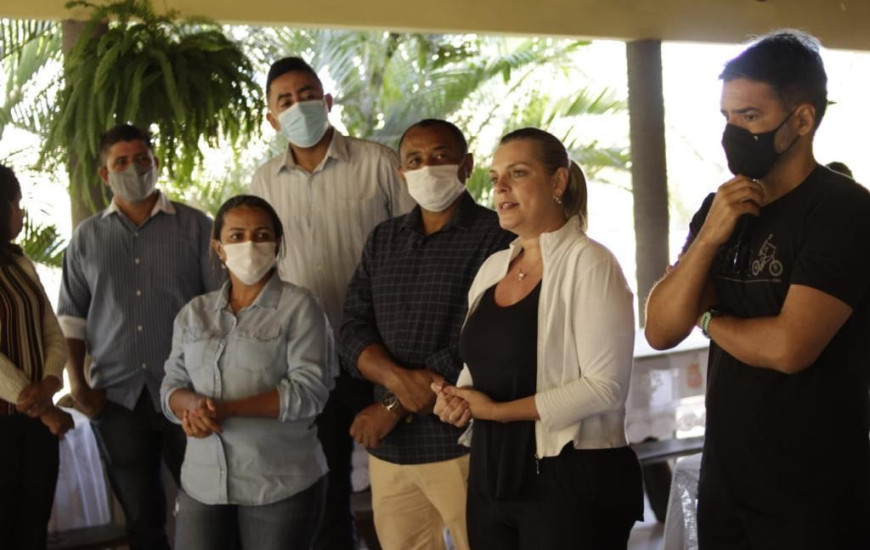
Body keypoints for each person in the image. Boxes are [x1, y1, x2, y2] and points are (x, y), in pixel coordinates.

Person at [644, 31, 870, 549]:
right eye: (727, 117)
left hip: (815, 494)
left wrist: (709, 317)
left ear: (802, 120)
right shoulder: (719, 208)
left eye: (749, 116)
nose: (734, 132)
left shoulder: (843, 211)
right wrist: (708, 238)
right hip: (727, 486)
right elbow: (659, 328)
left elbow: (789, 347)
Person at [432, 128, 643, 549]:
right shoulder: (494, 267)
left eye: (518, 173)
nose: (500, 188)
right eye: (495, 178)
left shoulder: (591, 263)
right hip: (493, 471)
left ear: (558, 181)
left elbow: (605, 388)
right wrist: (457, 400)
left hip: (570, 477)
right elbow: (477, 364)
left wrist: (498, 412)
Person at [250, 56, 415, 549]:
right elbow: (266, 267)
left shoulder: (378, 163)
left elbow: (417, 242)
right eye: (285, 100)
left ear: (326, 100)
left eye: (307, 95)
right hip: (311, 357)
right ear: (272, 118)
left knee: (403, 481)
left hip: (384, 350)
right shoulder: (264, 181)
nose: (298, 105)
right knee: (327, 491)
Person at [339, 119, 513, 550]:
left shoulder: (499, 236)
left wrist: (392, 405)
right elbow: (352, 328)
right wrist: (394, 383)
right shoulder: (384, 239)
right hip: (391, 451)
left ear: (466, 165)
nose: (427, 168)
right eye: (414, 160)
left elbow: (481, 338)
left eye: (439, 156)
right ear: (401, 174)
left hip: (464, 442)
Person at [57, 124, 221, 549]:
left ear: (156, 163)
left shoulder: (196, 227)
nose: (134, 168)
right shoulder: (86, 238)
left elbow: (220, 309)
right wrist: (78, 385)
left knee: (208, 508)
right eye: (122, 162)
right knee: (142, 520)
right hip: (116, 397)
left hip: (189, 393)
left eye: (142, 159)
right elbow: (71, 320)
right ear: (104, 174)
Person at [161, 195, 331, 550]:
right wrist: (191, 407)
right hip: (202, 482)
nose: (250, 244)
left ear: (277, 244)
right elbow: (172, 385)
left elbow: (309, 391)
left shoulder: (300, 307)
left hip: (279, 481)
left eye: (261, 235)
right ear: (218, 248)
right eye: (237, 236)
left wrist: (227, 409)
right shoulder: (194, 313)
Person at [0, 164, 74, 549]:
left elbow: (51, 331)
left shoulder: (19, 262)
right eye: (17, 204)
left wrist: (50, 382)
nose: (21, 213)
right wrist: (42, 408)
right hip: (10, 423)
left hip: (35, 427)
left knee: (32, 532)